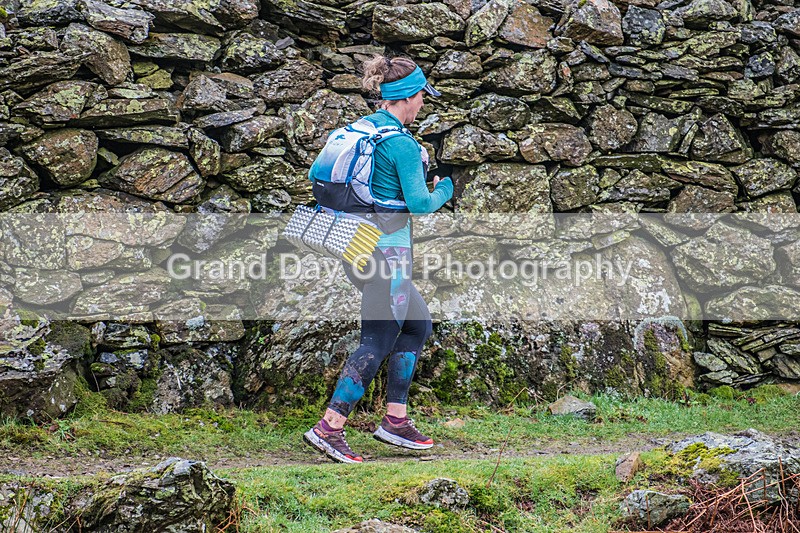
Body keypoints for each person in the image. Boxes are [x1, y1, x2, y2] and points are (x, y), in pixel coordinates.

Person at [303, 55, 454, 463]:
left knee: (417, 325)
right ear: (408, 96)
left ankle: (395, 421)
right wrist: (445, 189)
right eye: (422, 96)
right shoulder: (401, 144)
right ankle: (329, 428)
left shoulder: (358, 131)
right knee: (378, 338)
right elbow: (420, 204)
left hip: (355, 247)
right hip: (387, 254)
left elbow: (321, 177)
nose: (423, 103)